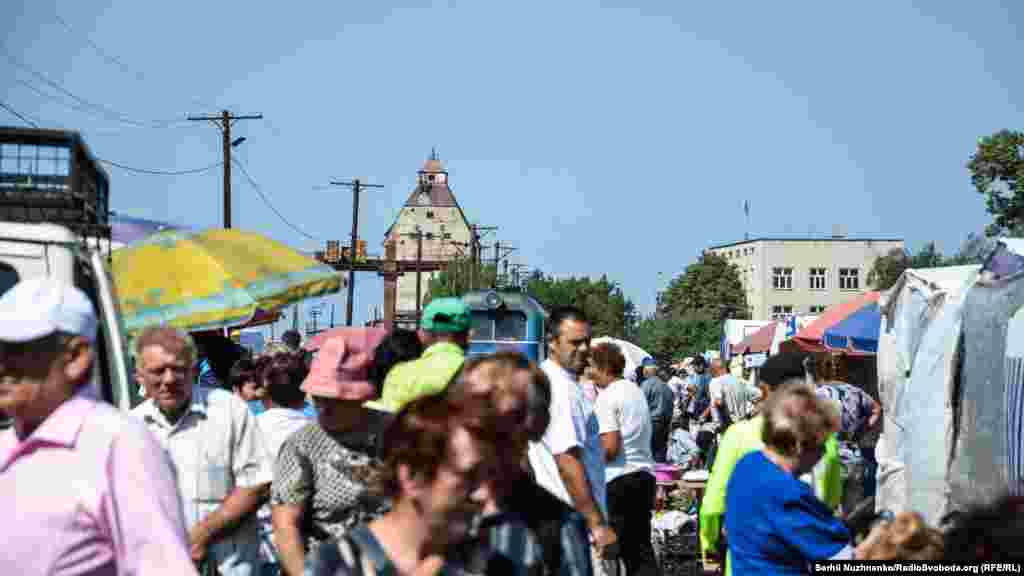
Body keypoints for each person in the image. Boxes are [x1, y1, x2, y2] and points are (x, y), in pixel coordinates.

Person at [0, 278, 197, 575]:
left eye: (15, 350)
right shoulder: (9, 443)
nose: (2, 364)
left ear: (76, 358)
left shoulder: (117, 445)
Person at [305, 393, 497, 576]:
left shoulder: (489, 561)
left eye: (488, 476)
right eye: (469, 477)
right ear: (413, 477)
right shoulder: (333, 565)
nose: (483, 494)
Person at [132, 325, 273, 576]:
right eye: (157, 371)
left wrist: (203, 534)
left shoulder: (228, 410)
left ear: (194, 370)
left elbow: (257, 484)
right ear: (139, 377)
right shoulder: (131, 427)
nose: (168, 379)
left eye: (177, 369)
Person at [448, 352, 594, 576]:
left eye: (502, 414)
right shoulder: (426, 503)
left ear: (537, 425)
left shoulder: (557, 527)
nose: (483, 423)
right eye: (473, 406)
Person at [699, 352, 843, 576]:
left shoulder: (740, 443)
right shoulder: (822, 439)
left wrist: (710, 549)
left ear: (764, 389)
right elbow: (831, 499)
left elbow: (713, 505)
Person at [271, 328, 392, 576]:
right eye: (318, 398)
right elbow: (286, 525)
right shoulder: (302, 446)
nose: (324, 407)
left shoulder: (395, 432)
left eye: (335, 399)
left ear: (360, 397)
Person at [725, 383, 858, 574]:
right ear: (799, 444)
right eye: (820, 446)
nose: (822, 455)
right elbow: (840, 560)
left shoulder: (747, 465)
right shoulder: (786, 493)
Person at [526, 306, 618, 573]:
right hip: (576, 526)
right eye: (575, 342)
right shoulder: (563, 391)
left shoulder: (543, 380)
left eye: (587, 341)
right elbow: (567, 460)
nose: (583, 349)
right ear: (552, 343)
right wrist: (597, 525)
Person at [589, 343, 658, 576]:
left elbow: (610, 447)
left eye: (591, 366)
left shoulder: (607, 398)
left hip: (618, 480)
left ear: (602, 367)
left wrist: (587, 455)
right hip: (644, 476)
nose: (588, 373)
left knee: (610, 553)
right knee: (640, 551)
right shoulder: (634, 391)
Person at [255, 352, 315, 575]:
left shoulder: (248, 428)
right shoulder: (317, 431)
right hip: (307, 547)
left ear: (265, 389)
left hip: (261, 546)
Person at [369, 298, 469, 413]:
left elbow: (385, 420)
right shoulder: (480, 376)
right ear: (467, 334)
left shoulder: (398, 375)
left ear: (425, 333)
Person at [639, 357, 674, 462]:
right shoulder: (666, 386)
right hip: (665, 423)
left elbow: (640, 405)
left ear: (646, 371)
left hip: (652, 422)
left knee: (649, 452)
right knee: (661, 451)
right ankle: (661, 475)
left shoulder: (646, 385)